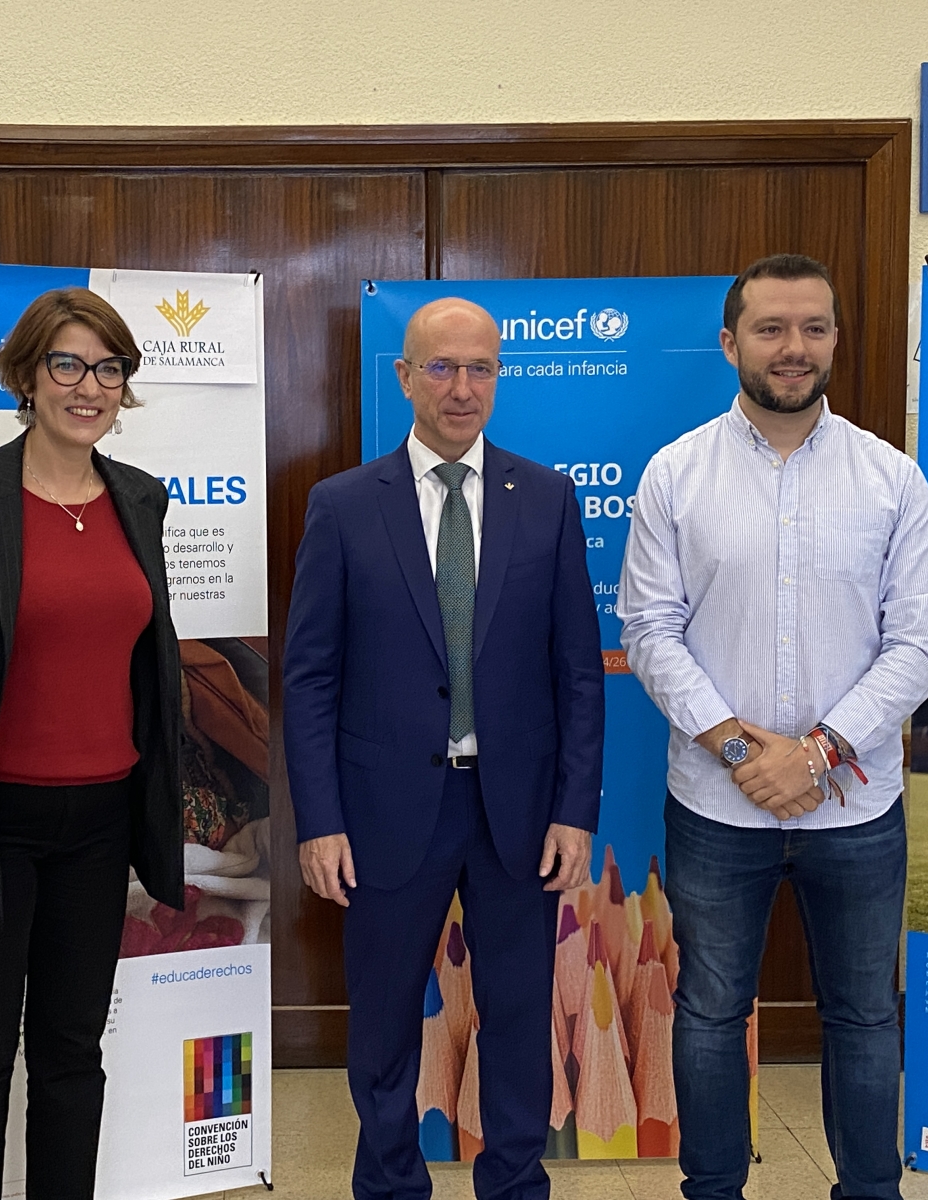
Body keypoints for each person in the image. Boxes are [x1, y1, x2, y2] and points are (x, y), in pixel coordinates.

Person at [618, 254, 928, 1200]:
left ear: (837, 339)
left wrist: (818, 752)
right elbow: (649, 630)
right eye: (770, 328)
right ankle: (713, 1188)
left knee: (862, 1017)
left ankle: (868, 1189)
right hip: (718, 808)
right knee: (713, 1011)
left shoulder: (893, 481)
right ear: (731, 343)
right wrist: (739, 747)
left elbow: (918, 642)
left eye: (812, 327)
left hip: (856, 809)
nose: (793, 348)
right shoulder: (676, 474)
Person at [283, 297, 604, 1200]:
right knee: (383, 1025)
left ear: (499, 376)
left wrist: (574, 809)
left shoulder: (544, 497)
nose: (463, 389)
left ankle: (512, 1182)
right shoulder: (344, 506)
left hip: (517, 814)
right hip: (384, 814)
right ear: (405, 377)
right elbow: (309, 677)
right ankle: (388, 1184)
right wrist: (321, 820)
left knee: (516, 1016)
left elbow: (578, 670)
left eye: (482, 369)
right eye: (442, 368)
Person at [0, 287, 184, 1200]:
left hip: (102, 819)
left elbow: (145, 660)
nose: (89, 386)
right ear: (26, 375)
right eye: (68, 364)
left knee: (73, 1051)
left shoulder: (141, 500)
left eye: (109, 367)